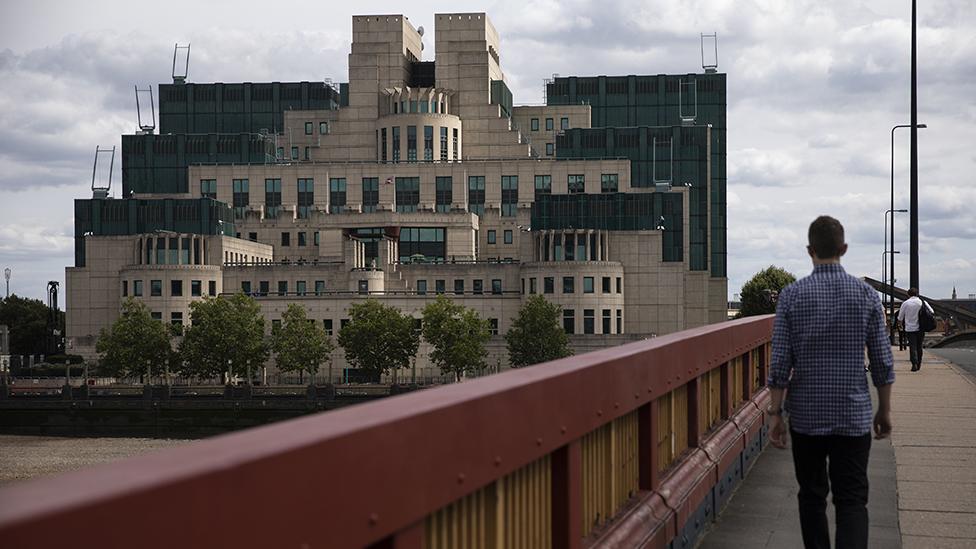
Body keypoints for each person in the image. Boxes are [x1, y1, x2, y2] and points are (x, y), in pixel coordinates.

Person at [767, 216, 894, 549]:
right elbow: (882, 360)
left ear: (810, 250)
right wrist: (885, 409)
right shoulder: (866, 296)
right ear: (844, 248)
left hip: (806, 418)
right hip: (852, 416)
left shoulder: (792, 297)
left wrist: (775, 414)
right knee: (852, 500)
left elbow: (780, 362)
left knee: (811, 496)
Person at [897, 288, 934, 371]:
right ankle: (919, 363)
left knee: (912, 346)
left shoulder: (905, 303)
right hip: (921, 328)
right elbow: (932, 312)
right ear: (917, 294)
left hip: (910, 328)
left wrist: (900, 326)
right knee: (919, 346)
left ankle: (914, 363)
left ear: (908, 294)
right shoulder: (923, 302)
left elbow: (900, 317)